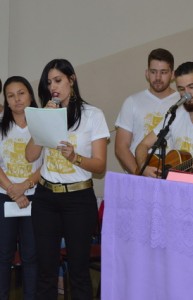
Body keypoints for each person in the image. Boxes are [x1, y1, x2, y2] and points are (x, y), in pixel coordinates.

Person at [25, 58, 110, 299]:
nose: (54, 87)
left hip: (78, 199)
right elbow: (30, 156)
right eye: (49, 82)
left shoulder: (93, 115)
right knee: (46, 269)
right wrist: (43, 122)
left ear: (71, 80)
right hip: (45, 198)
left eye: (59, 80)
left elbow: (100, 165)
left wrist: (75, 157)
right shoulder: (45, 113)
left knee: (79, 271)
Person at [0, 76, 42, 300]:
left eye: (21, 93)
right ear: (6, 101)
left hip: (35, 197)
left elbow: (47, 165)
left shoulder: (43, 125)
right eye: (10, 95)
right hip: (4, 197)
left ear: (30, 95)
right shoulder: (0, 125)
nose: (17, 99)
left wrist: (25, 186)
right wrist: (13, 191)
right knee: (3, 255)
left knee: (31, 255)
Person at [115, 48, 180, 174]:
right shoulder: (132, 102)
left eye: (164, 72)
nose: (158, 77)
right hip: (139, 176)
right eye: (153, 72)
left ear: (172, 74)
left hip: (173, 175)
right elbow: (121, 147)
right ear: (147, 73)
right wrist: (140, 172)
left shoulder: (181, 102)